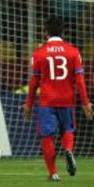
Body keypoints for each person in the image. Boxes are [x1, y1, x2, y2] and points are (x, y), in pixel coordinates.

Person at [23, 16, 93, 181]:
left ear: (45, 32)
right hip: (67, 99)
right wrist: (85, 103)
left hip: (46, 101)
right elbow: (80, 81)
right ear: (63, 32)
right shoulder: (73, 51)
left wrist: (28, 105)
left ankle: (53, 173)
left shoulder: (39, 53)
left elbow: (33, 83)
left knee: (47, 136)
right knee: (67, 130)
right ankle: (68, 150)